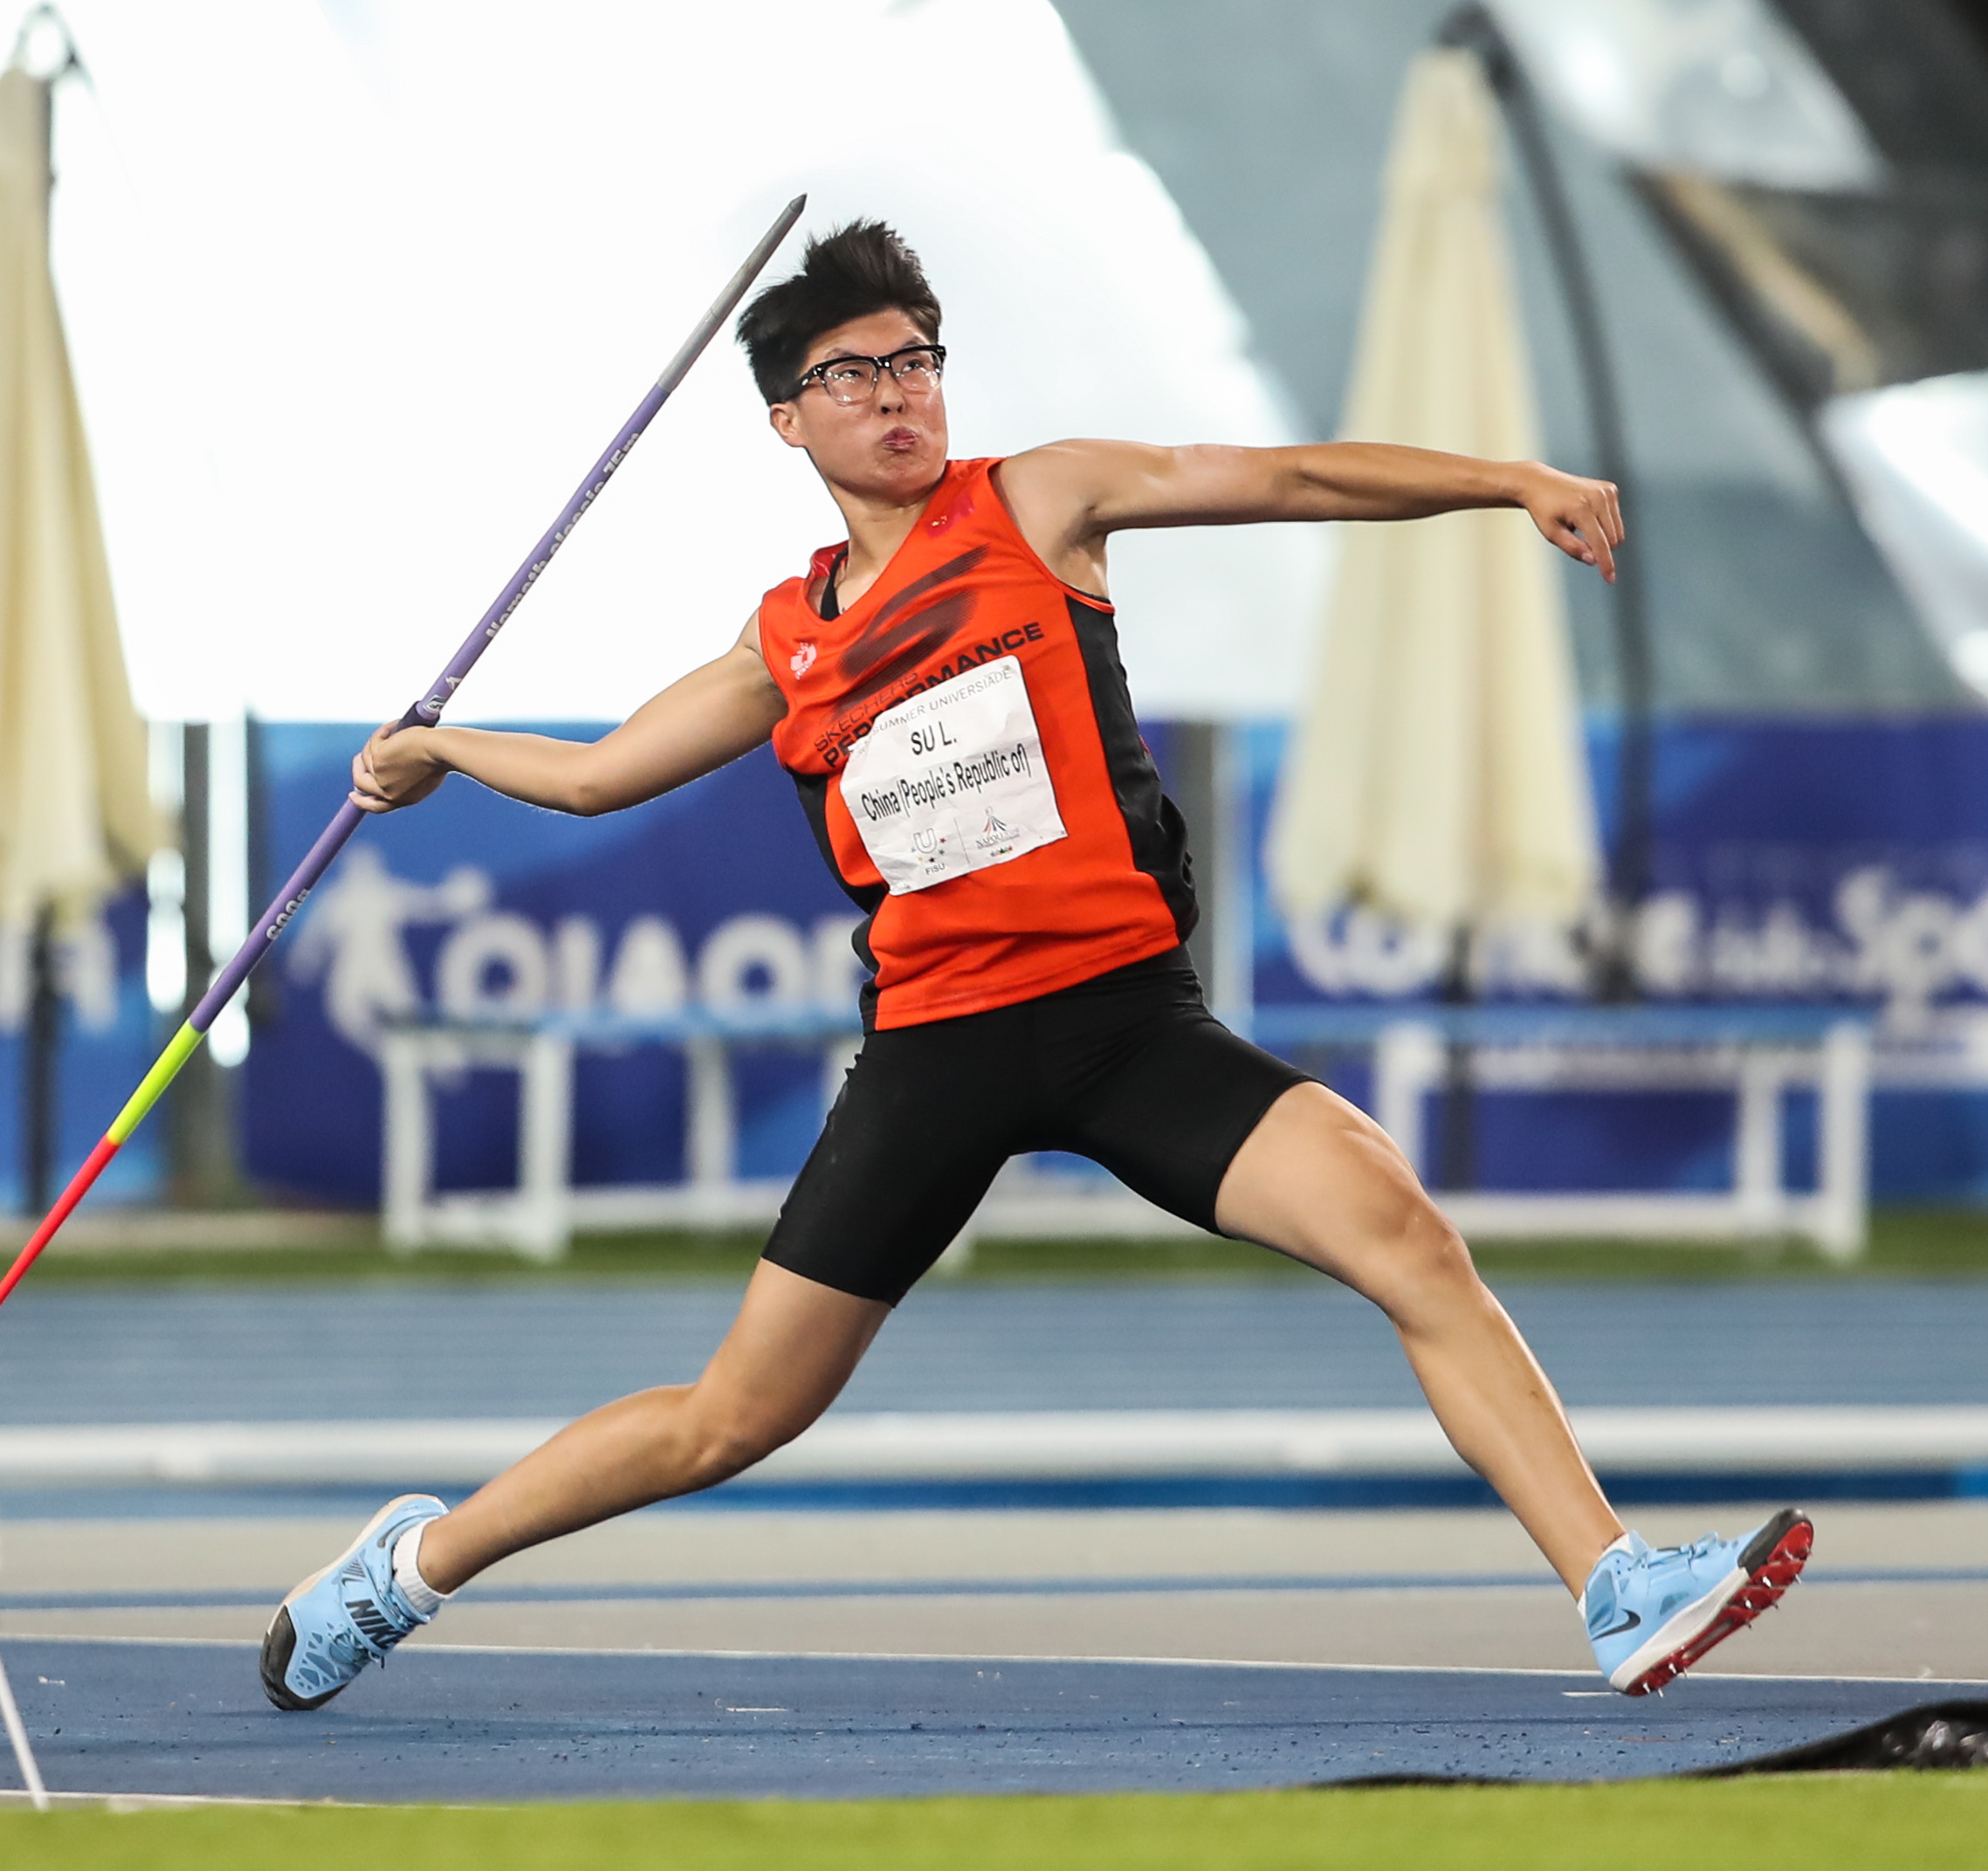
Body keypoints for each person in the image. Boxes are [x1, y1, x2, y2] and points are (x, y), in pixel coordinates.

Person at [260, 219, 1811, 1714]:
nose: (900, 394)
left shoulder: (1038, 502)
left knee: (1401, 1231)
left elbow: (1286, 478)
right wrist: (440, 751)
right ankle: (412, 1564)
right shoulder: (783, 643)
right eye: (858, 374)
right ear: (788, 419)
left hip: (1129, 1020)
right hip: (940, 1049)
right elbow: (602, 777)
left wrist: (1507, 481)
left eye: (919, 362)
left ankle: (1613, 1582)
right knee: (734, 1417)